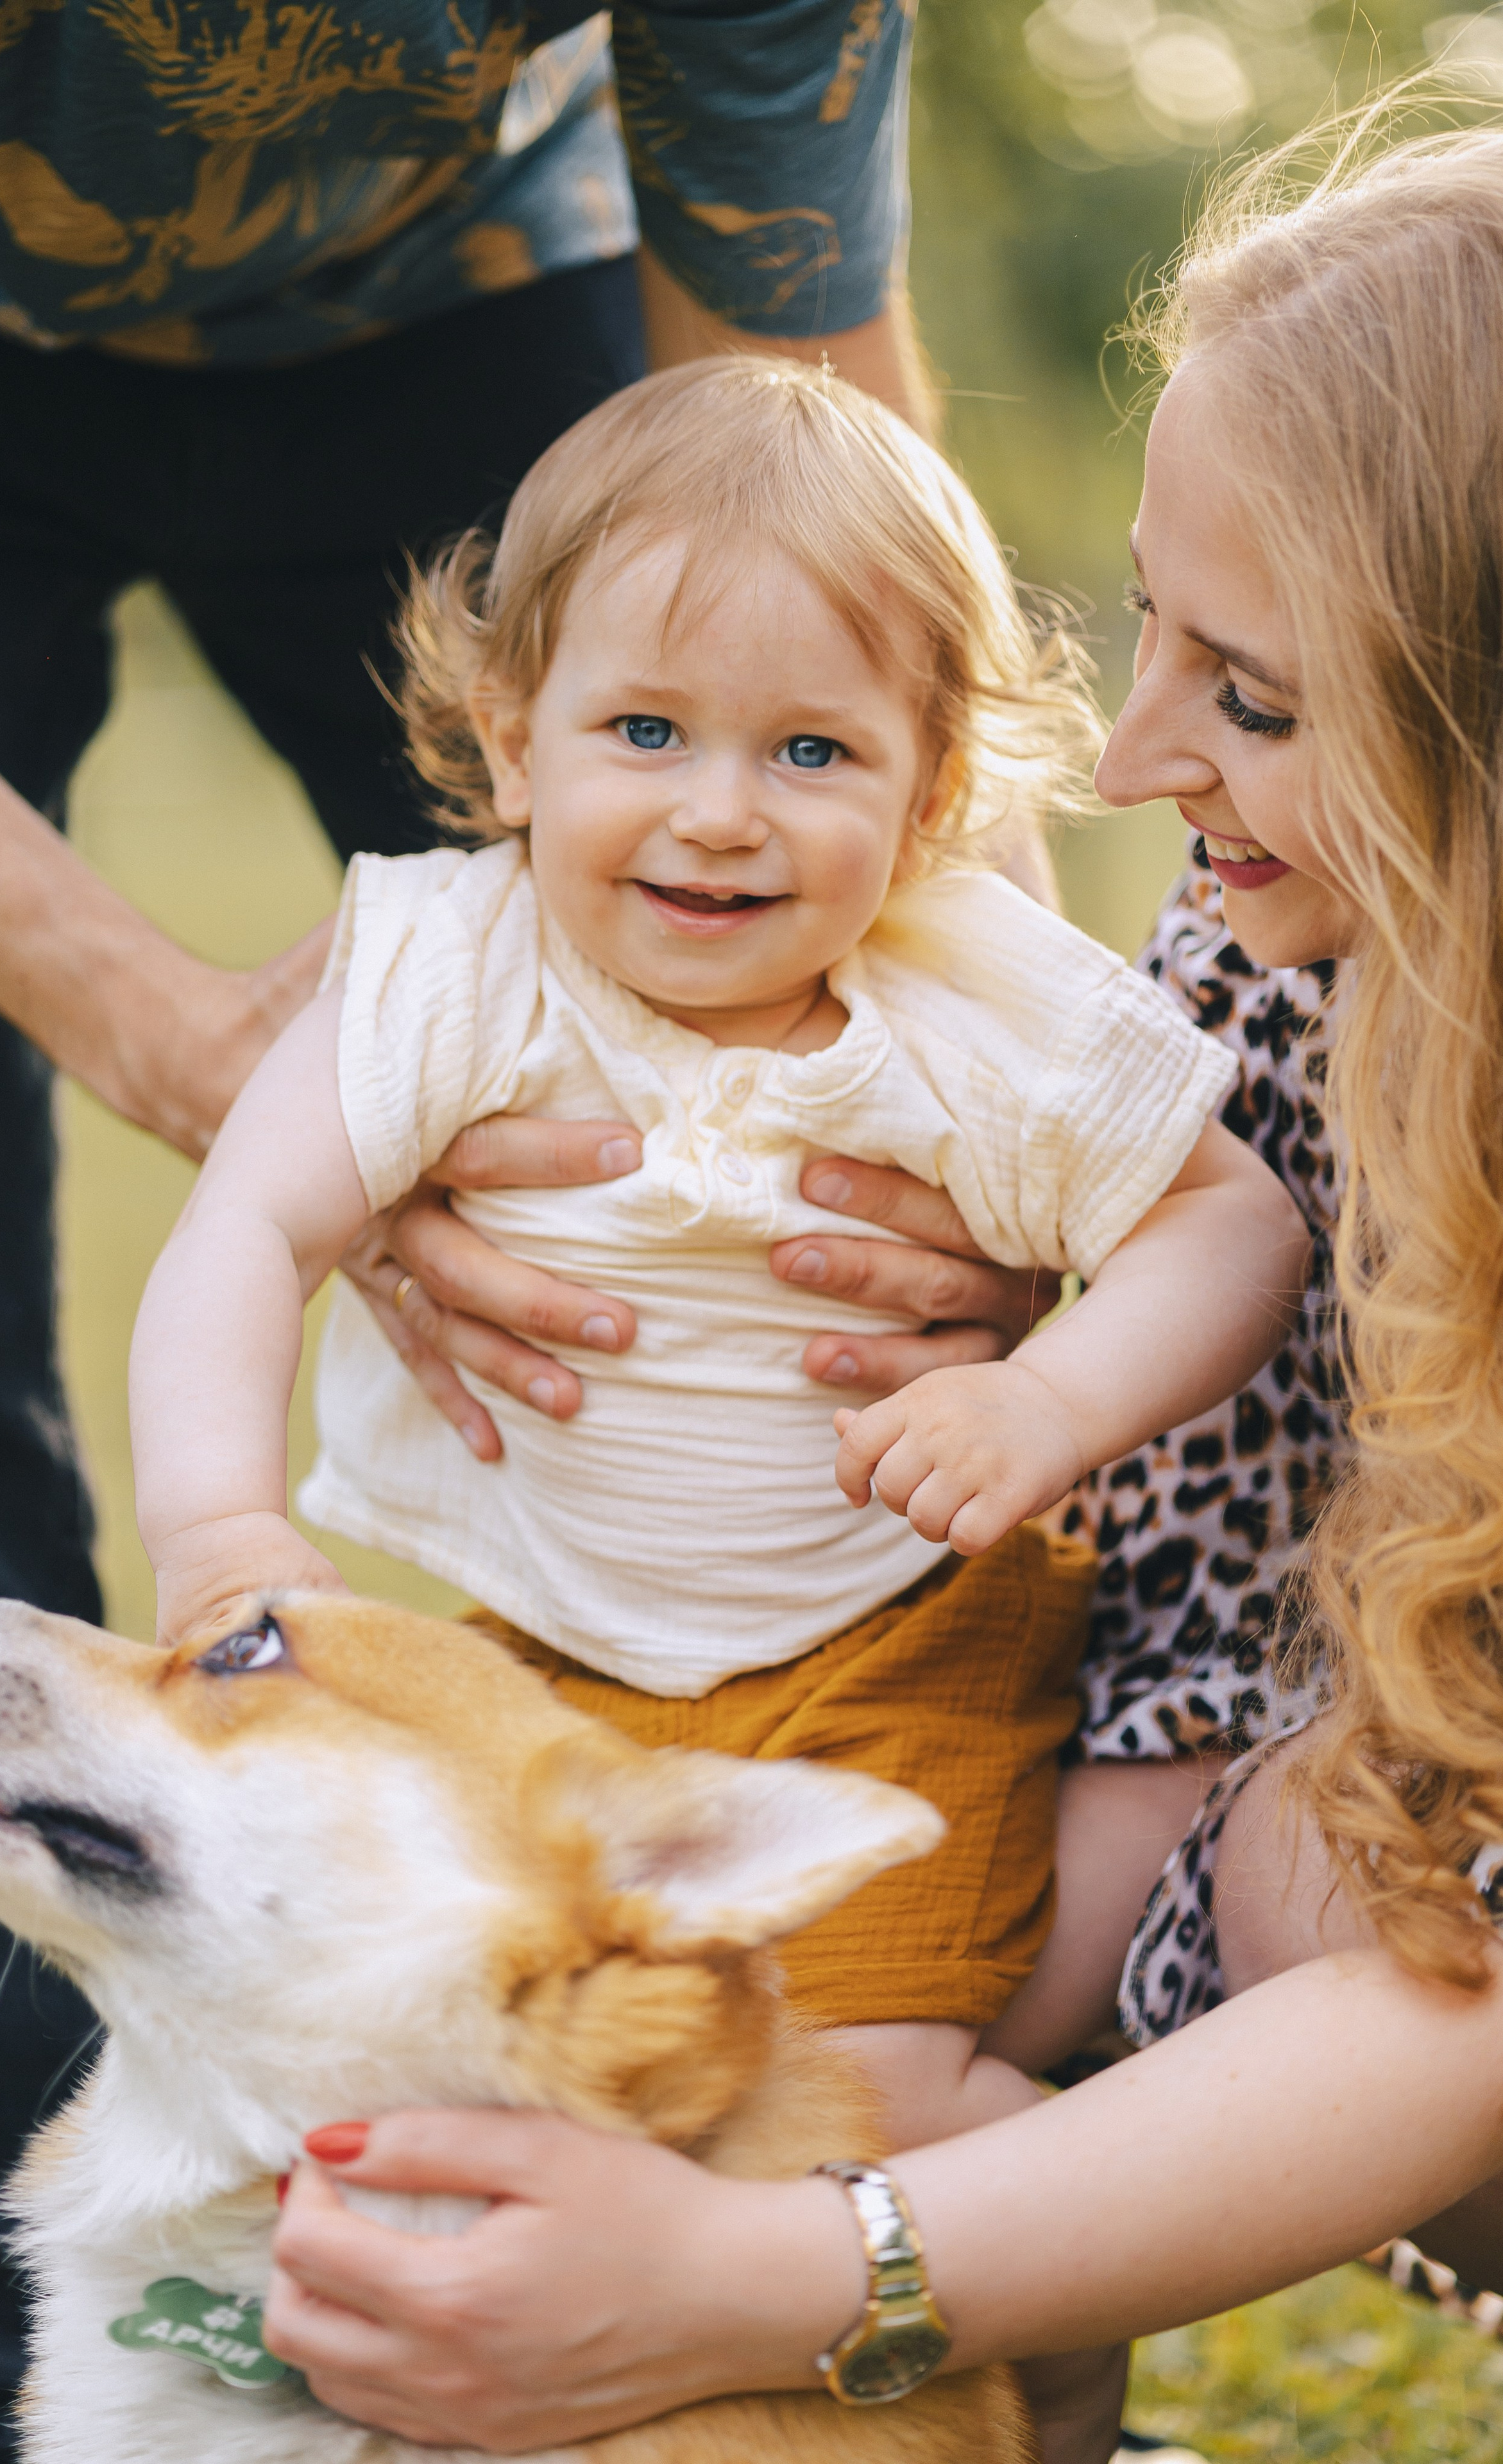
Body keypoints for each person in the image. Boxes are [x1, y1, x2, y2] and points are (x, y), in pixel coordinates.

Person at [251, 99, 1503, 2464]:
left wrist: (787, 2262)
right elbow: (1193, 1602)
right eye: (1150, 626)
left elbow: (1467, 1945)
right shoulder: (1286, 976)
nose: (1132, 756)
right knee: (1031, 1889)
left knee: (1343, 1898)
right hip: (1237, 1777)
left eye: (1250, 694)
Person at [0, 1, 933, 2451]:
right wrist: (177, 1048)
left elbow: (818, 469)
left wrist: (908, 1100)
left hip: (471, 316)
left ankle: (685, 2274)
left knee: (703, 1271)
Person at [126, 358, 1305, 2236]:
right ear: (517, 743)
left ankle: (1061, 2316)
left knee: (875, 2092)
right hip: (544, 1655)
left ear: (929, 796)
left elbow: (1232, 1226)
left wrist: (1046, 1400)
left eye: (814, 753)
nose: (723, 814)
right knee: (542, 2081)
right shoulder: (447, 968)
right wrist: (215, 1518)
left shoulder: (977, 1006)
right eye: (648, 731)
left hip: (893, 1649)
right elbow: (246, 1234)